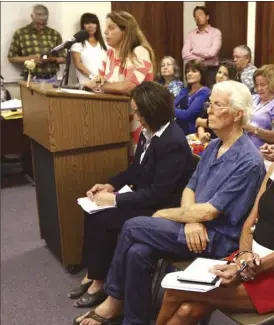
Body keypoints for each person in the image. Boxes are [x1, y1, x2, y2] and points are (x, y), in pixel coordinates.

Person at [73, 80, 266, 325]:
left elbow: (209, 212)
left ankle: (112, 301)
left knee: (132, 226)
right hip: (194, 227)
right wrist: (188, 220)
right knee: (137, 251)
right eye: (210, 104)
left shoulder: (248, 161)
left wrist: (167, 214)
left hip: (216, 238)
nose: (209, 110)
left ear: (238, 114)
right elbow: (190, 188)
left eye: (218, 105)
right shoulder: (215, 145)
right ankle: (134, 320)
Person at [155, 95, 274, 325]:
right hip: (253, 264)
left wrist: (247, 268)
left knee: (176, 291)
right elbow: (250, 223)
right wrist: (243, 258)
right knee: (187, 310)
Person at [68, 82, 194, 309]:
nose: (134, 115)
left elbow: (158, 194)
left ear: (151, 111)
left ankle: (99, 282)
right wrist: (109, 185)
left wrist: (115, 199)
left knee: (104, 217)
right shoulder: (150, 133)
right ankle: (96, 273)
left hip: (162, 208)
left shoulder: (172, 141)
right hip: (145, 197)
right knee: (93, 210)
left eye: (137, 111)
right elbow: (136, 169)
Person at [84, 11, 155, 160]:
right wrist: (96, 83)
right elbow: (99, 79)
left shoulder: (138, 52)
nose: (105, 32)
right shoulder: (110, 54)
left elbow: (128, 86)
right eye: (106, 28)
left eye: (111, 28)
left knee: (136, 161)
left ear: (126, 30)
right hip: (116, 117)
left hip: (139, 118)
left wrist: (98, 86)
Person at [7, 4, 66, 83]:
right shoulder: (21, 33)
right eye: (38, 23)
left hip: (52, 79)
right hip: (30, 79)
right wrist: (29, 58)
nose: (41, 27)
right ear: (32, 17)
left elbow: (64, 58)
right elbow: (11, 58)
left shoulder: (54, 34)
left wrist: (53, 59)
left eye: (44, 24)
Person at [193, 60, 237, 151]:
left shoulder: (233, 98)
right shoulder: (211, 93)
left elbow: (224, 123)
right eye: (219, 72)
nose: (220, 76)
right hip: (205, 139)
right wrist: (201, 133)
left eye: (225, 74)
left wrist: (202, 122)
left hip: (223, 141)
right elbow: (199, 119)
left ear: (231, 79)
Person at [243, 64, 274, 149]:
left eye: (262, 85)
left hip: (262, 152)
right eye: (257, 85)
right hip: (242, 147)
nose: (259, 88)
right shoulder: (253, 98)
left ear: (273, 84)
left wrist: (253, 129)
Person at [182, 6, 222, 86]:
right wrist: (201, 59)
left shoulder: (215, 32)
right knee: (193, 94)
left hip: (211, 70)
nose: (197, 17)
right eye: (195, 16)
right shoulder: (191, 34)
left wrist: (195, 50)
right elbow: (185, 54)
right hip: (194, 70)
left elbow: (212, 53)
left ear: (207, 17)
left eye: (200, 14)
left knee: (210, 94)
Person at [174, 60, 211, 135]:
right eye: (187, 72)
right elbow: (173, 105)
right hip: (177, 128)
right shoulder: (184, 90)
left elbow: (188, 115)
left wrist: (169, 108)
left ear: (202, 74)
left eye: (194, 71)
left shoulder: (205, 92)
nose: (189, 74)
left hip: (191, 133)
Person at [71, 13, 107, 84]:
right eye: (87, 23)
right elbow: (78, 65)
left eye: (93, 23)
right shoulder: (77, 43)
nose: (90, 26)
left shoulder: (105, 43)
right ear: (82, 25)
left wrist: (102, 79)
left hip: (104, 83)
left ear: (97, 25)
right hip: (86, 84)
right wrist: (93, 77)